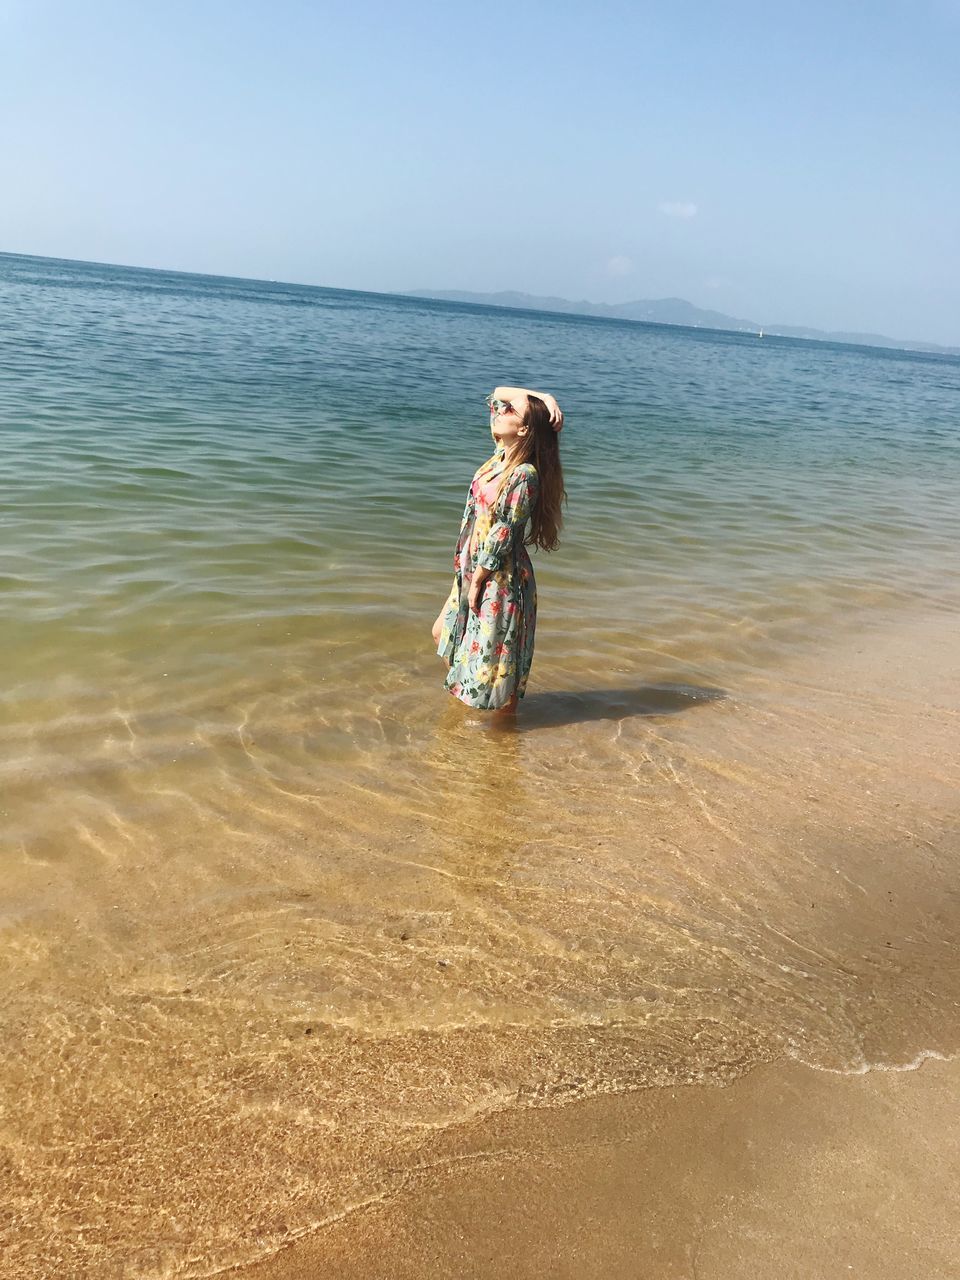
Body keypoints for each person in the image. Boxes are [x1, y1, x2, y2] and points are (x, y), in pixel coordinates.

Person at [432, 386, 565, 713]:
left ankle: (503, 736)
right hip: (471, 571)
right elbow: (497, 393)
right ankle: (485, 725)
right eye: (502, 409)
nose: (500, 410)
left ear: (523, 429)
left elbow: (504, 531)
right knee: (444, 635)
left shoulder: (524, 474)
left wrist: (477, 580)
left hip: (498, 578)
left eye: (510, 411)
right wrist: (546, 397)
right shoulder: (500, 458)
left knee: (498, 665)